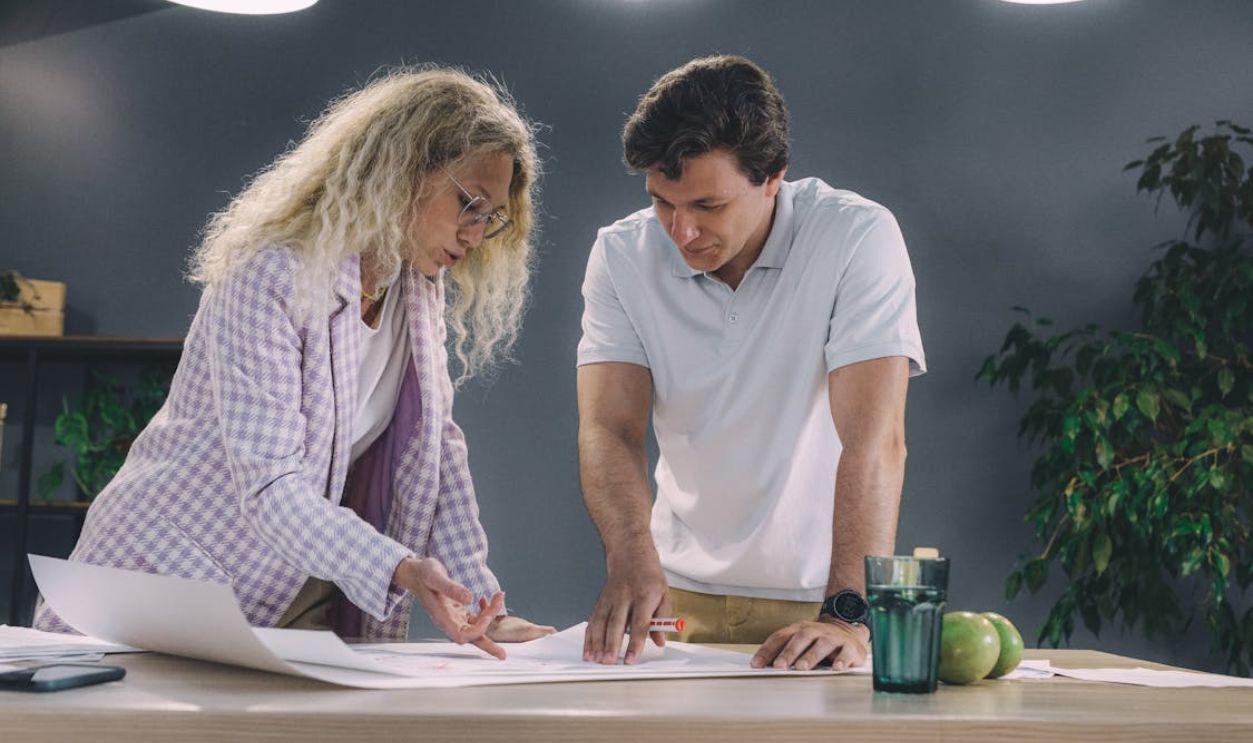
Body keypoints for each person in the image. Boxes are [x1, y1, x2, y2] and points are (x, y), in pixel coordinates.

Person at [34, 66, 555, 656]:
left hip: (287, 592)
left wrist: (485, 606)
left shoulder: (416, 287)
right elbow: (272, 485)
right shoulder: (271, 274)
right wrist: (402, 567)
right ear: (403, 172)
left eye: (492, 217)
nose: (477, 233)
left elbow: (436, 455)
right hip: (162, 580)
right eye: (470, 204)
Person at [577, 55, 926, 670]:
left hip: (821, 603)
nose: (681, 232)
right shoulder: (621, 254)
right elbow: (609, 427)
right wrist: (630, 555)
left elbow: (876, 441)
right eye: (663, 203)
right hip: (673, 601)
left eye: (708, 206)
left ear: (772, 178)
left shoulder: (856, 237)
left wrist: (849, 614)